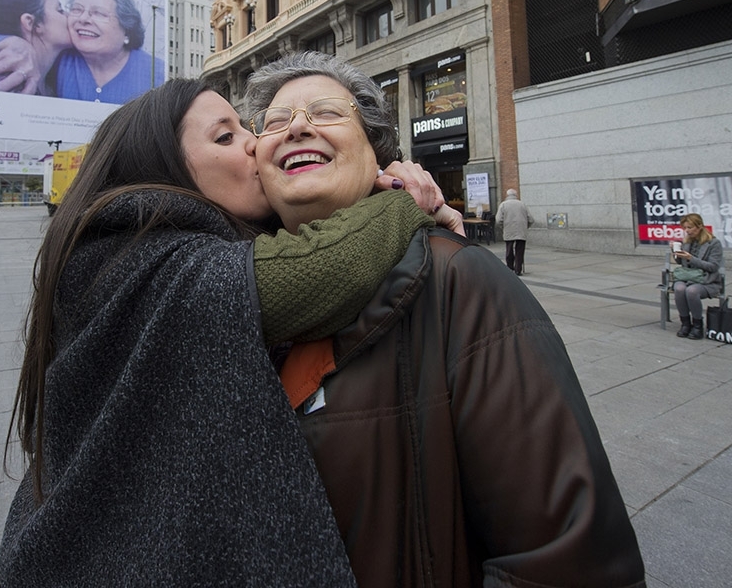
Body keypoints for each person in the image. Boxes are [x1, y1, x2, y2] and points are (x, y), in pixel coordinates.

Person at [0, 79, 458, 587]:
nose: (255, 143)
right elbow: (317, 270)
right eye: (225, 137)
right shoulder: (132, 253)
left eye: (246, 128)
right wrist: (403, 201)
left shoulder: (164, 243)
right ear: (166, 168)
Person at [244, 51, 646, 588]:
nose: (297, 127)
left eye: (326, 113)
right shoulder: (228, 291)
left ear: (378, 155)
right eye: (275, 121)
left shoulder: (459, 279)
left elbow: (567, 558)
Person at [0, 0, 163, 105]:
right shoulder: (60, 56)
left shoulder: (157, 72)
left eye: (99, 13)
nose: (83, 19)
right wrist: (12, 43)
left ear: (127, 29)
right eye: (76, 9)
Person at [671, 212, 724, 340]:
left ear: (699, 226)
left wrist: (691, 258)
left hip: (706, 279)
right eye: (685, 228)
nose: (687, 231)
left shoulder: (713, 243)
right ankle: (685, 323)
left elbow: (713, 267)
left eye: (690, 227)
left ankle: (697, 325)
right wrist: (676, 252)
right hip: (687, 276)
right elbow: (681, 262)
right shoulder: (686, 242)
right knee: (679, 288)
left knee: (692, 291)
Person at [494, 187, 534, 275]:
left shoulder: (503, 205)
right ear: (516, 195)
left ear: (507, 195)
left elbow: (498, 220)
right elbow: (531, 219)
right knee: (520, 250)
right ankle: (518, 269)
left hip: (508, 229)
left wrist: (503, 227)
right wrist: (525, 226)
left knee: (509, 249)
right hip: (521, 230)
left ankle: (510, 267)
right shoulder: (522, 204)